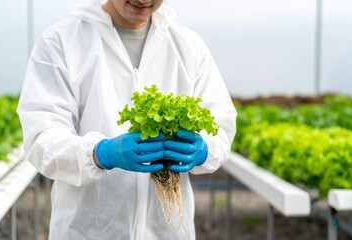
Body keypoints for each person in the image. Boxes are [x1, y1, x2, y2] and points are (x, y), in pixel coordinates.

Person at [17, 0, 237, 239]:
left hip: (167, 231)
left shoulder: (188, 47)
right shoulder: (62, 42)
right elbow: (41, 137)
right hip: (87, 231)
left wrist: (204, 150)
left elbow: (220, 126)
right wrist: (99, 153)